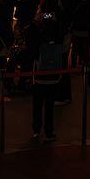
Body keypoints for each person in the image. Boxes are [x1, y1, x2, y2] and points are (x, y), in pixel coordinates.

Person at [28, 13, 64, 142]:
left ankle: (36, 130)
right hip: (54, 77)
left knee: (37, 105)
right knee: (49, 106)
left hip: (39, 77)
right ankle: (49, 132)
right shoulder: (59, 41)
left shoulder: (38, 40)